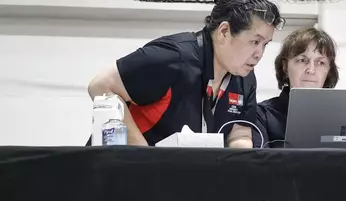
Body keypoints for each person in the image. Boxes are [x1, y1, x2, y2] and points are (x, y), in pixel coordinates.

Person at [87, 0, 285, 148]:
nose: (259, 54)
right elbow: (100, 85)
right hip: (126, 173)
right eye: (254, 42)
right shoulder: (173, 56)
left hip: (180, 179)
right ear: (224, 31)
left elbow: (240, 134)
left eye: (265, 45)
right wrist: (145, 158)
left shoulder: (245, 78)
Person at [255, 27, 339, 148]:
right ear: (285, 67)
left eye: (320, 63)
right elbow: (259, 164)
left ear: (329, 70)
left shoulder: (341, 118)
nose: (311, 70)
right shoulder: (262, 115)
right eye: (302, 60)